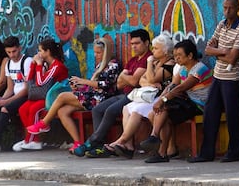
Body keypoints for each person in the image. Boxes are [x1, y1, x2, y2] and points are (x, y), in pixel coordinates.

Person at [26, 37, 119, 153]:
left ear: (107, 52)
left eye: (99, 53)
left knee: (62, 96)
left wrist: (84, 81)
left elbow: (105, 84)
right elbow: (92, 86)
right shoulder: (100, 65)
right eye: (95, 52)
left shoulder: (113, 65)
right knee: (62, 111)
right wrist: (79, 86)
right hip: (92, 97)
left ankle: (44, 123)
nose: (96, 55)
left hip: (102, 99)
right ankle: (78, 142)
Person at [188, 0, 239, 163]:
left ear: (237, 8)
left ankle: (234, 152)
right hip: (218, 76)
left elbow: (233, 59)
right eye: (225, 8)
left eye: (230, 8)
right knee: (210, 113)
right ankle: (206, 153)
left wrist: (219, 51)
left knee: (232, 116)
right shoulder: (221, 25)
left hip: (231, 78)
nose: (227, 11)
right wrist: (223, 51)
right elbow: (208, 49)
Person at [75, 29, 152, 158]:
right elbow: (119, 84)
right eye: (132, 43)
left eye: (137, 43)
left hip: (136, 96)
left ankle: (92, 142)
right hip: (124, 94)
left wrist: (125, 77)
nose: (134, 46)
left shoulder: (147, 59)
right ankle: (99, 145)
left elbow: (133, 82)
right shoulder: (133, 60)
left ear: (146, 43)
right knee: (97, 110)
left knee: (111, 110)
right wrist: (126, 78)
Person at [140, 39, 212, 163]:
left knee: (165, 108)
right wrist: (160, 99)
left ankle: (154, 136)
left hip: (199, 105)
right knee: (163, 117)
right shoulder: (183, 69)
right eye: (175, 56)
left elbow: (181, 88)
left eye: (180, 55)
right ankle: (162, 153)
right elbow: (172, 85)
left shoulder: (199, 68)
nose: (177, 59)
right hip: (187, 102)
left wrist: (163, 100)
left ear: (190, 55)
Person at [105, 34, 174, 159]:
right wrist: (151, 82)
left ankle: (121, 141)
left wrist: (149, 63)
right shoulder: (156, 62)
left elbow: (151, 78)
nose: (153, 51)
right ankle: (128, 145)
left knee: (136, 111)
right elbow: (142, 81)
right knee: (127, 108)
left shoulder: (169, 64)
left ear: (165, 51)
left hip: (160, 98)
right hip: (149, 96)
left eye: (156, 49)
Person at [13, 38, 68, 152]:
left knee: (34, 109)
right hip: (43, 96)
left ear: (48, 52)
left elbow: (41, 82)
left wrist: (38, 65)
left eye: (41, 51)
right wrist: (34, 64)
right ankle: (29, 139)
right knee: (23, 109)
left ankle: (35, 141)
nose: (39, 54)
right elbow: (29, 79)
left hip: (54, 98)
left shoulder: (57, 66)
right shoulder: (46, 64)